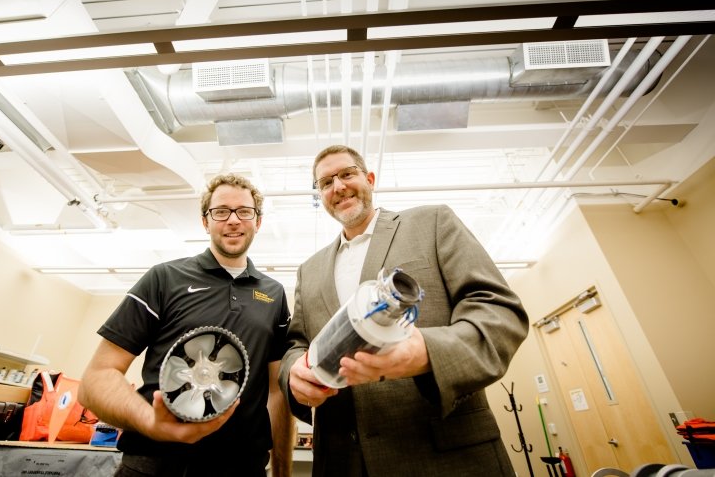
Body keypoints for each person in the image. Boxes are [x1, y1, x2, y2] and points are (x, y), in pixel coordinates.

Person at [279, 145, 530, 477]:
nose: (337, 187)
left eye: (347, 174)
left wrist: (427, 353)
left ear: (369, 178)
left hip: (443, 457)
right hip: (341, 461)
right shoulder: (308, 270)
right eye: (325, 182)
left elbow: (500, 312)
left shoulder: (432, 223)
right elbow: (296, 344)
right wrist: (293, 374)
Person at [79, 173, 294, 477]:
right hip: (154, 462)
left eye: (244, 211)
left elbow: (276, 393)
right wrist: (151, 422)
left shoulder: (273, 295)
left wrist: (283, 471)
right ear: (205, 221)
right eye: (221, 211)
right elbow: (95, 380)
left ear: (258, 221)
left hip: (243, 465)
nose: (233, 220)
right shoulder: (164, 278)